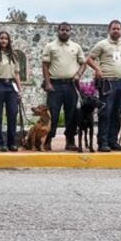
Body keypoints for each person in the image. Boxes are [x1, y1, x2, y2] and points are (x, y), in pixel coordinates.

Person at [86, 19, 121, 152]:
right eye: (114, 29)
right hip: (106, 82)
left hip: (120, 83)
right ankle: (103, 142)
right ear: (109, 30)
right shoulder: (102, 44)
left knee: (117, 113)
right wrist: (97, 69)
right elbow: (89, 59)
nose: (116, 31)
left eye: (118, 29)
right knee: (106, 112)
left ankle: (113, 141)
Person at [41, 22, 85, 151]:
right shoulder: (50, 46)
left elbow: (83, 63)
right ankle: (48, 140)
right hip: (55, 85)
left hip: (71, 85)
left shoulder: (76, 47)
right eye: (62, 30)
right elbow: (45, 65)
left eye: (67, 30)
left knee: (72, 114)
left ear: (70, 32)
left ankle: (70, 141)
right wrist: (47, 83)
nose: (64, 32)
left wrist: (79, 74)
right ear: (58, 31)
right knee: (52, 114)